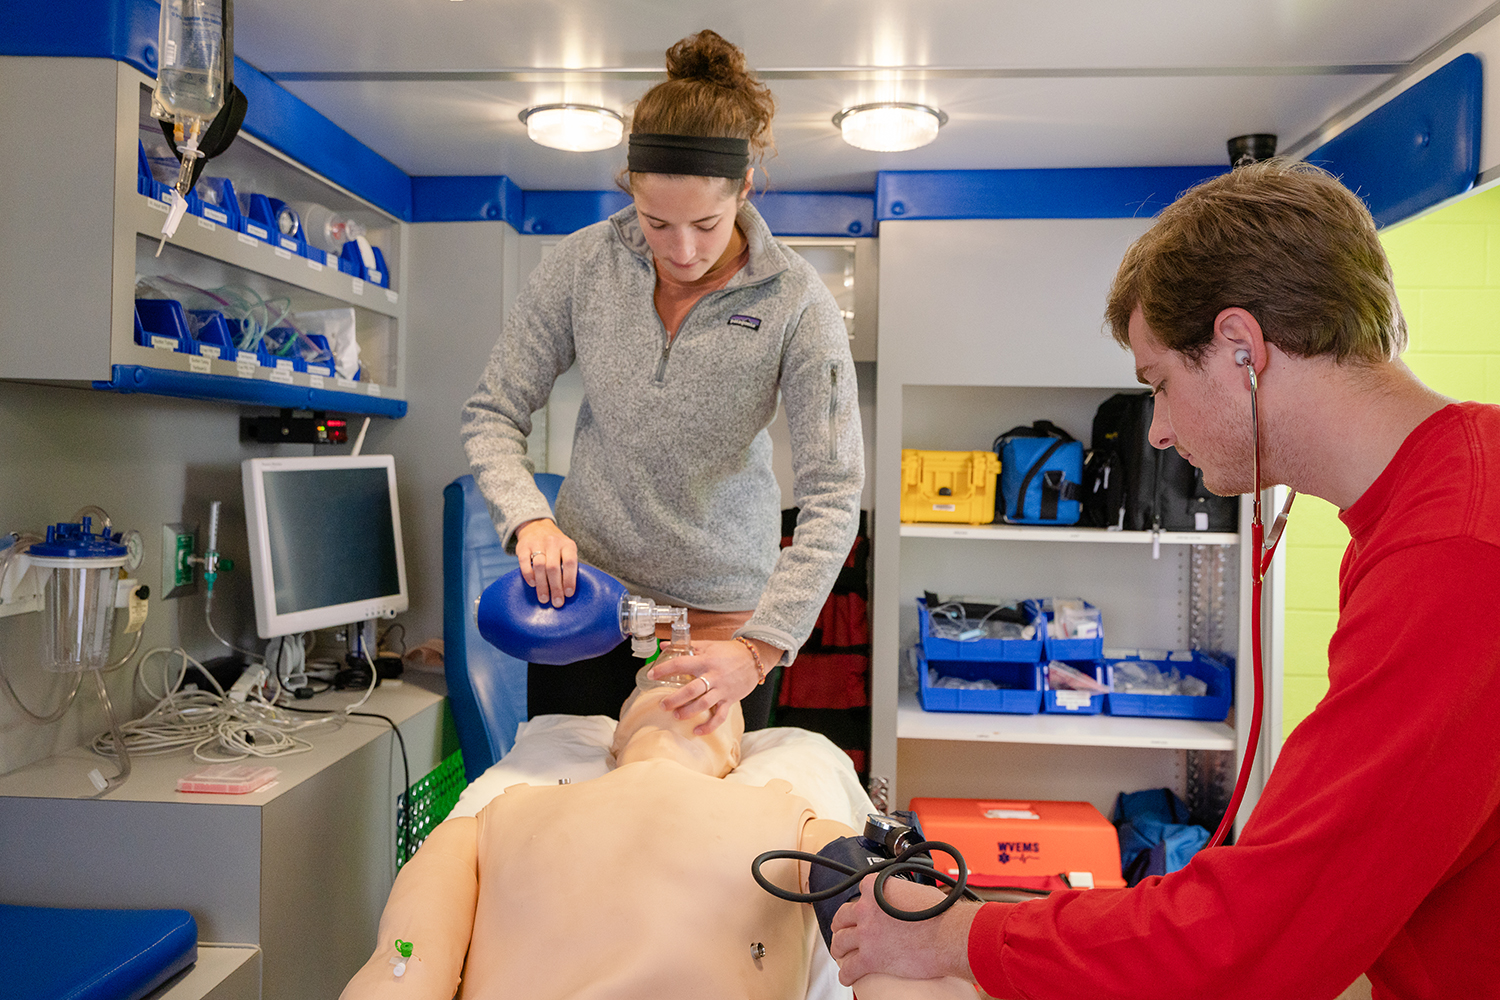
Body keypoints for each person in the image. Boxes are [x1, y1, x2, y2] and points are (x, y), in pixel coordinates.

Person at [828, 159, 1500, 999]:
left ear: (1243, 350)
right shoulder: (1435, 503)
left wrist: (961, 936)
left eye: (1161, 386)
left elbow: (1255, 942)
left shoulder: (1457, 553)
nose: (1155, 432)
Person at [461, 29, 863, 735]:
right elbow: (493, 412)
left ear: (743, 189)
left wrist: (759, 649)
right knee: (571, 816)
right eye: (656, 223)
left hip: (721, 628)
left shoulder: (798, 300)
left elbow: (834, 494)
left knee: (696, 827)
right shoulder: (582, 265)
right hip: (584, 606)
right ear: (630, 192)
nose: (682, 250)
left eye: (707, 223)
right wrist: (529, 517)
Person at [338, 681, 970, 1000]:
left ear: (734, 754)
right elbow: (401, 970)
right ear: (615, 739)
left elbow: (896, 959)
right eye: (658, 677)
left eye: (715, 697)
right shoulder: (486, 825)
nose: (685, 679)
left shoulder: (798, 826)